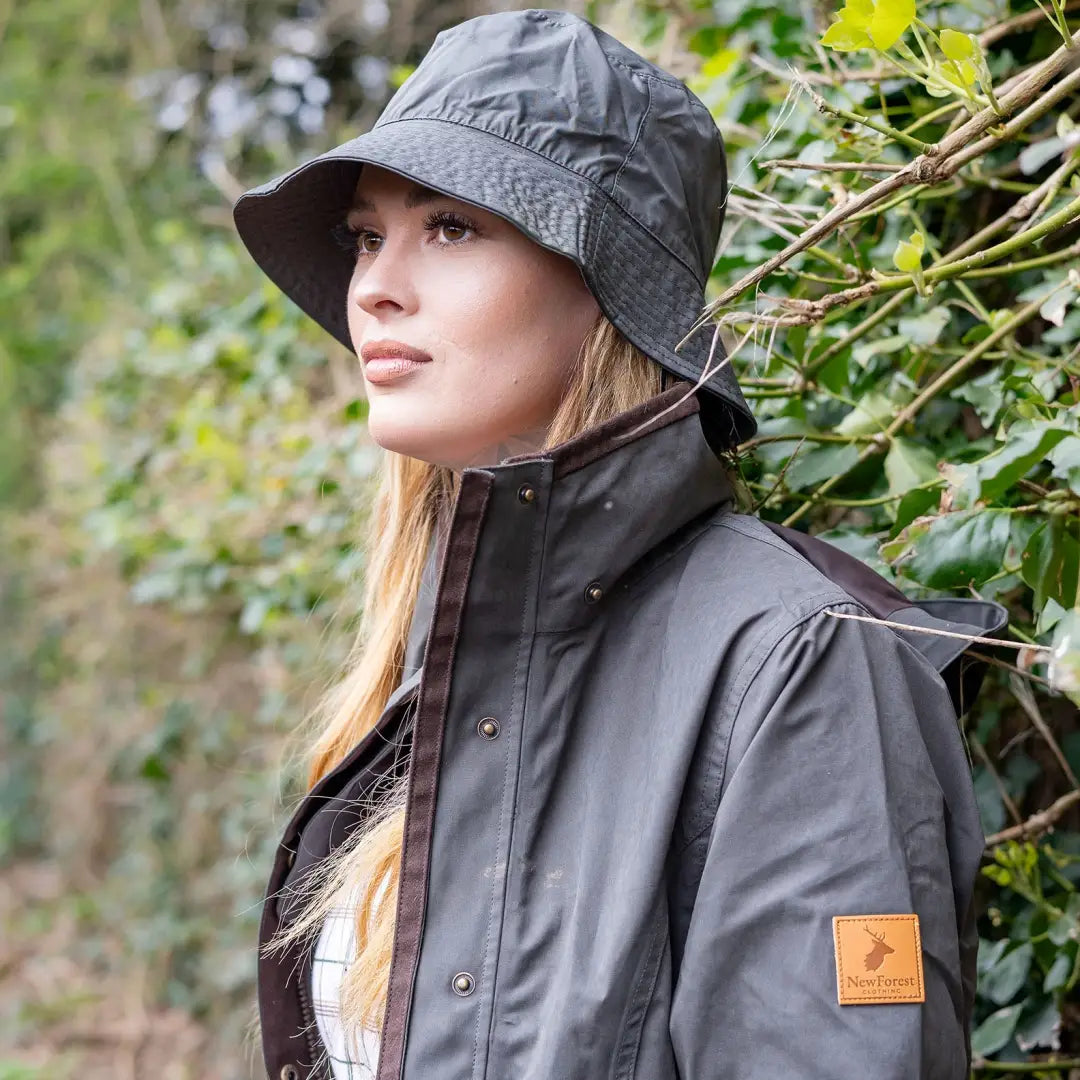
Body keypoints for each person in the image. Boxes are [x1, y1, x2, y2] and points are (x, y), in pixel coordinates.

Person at [232, 10, 1006, 1080]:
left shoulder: (803, 668)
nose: (373, 286)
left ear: (608, 290)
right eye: (369, 235)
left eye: (450, 226)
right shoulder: (449, 648)